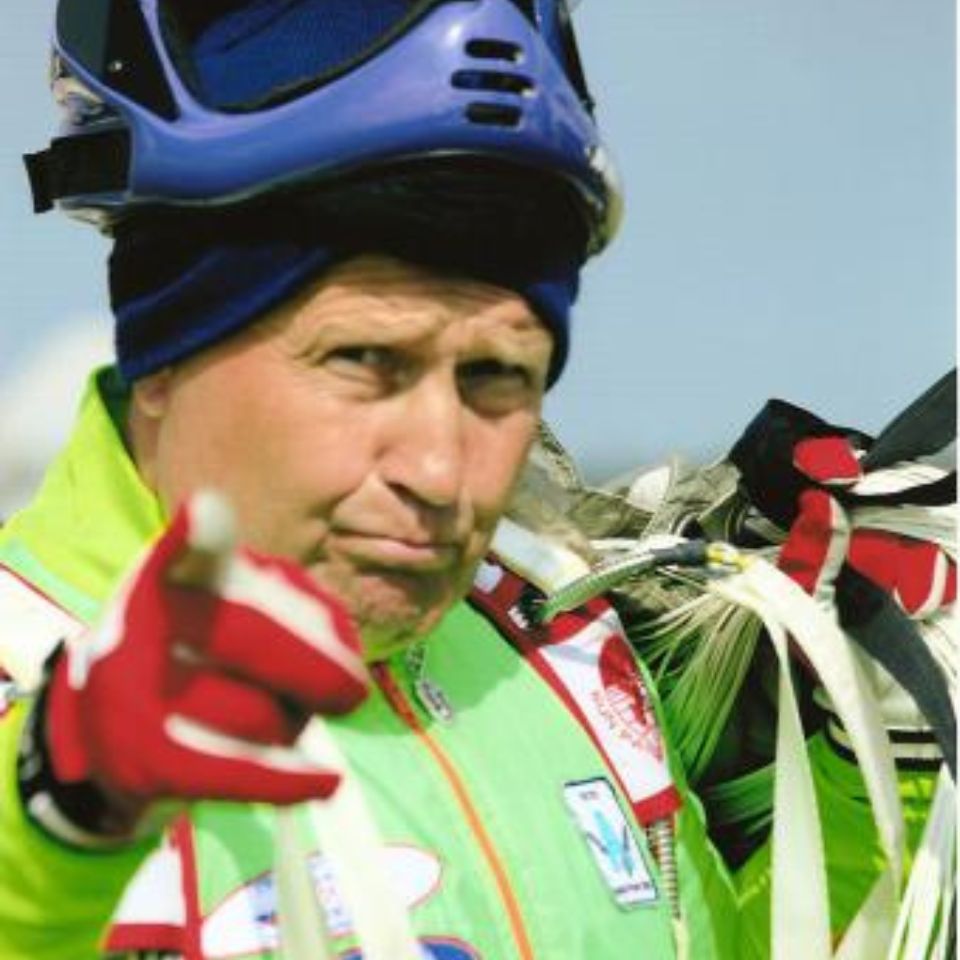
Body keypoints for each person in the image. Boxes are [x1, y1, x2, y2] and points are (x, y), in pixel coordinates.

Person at [0, 2, 740, 958]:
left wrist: (863, 779)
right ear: (164, 362)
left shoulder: (559, 654)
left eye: (496, 378)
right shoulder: (40, 700)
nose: (440, 472)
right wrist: (55, 818)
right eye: (361, 360)